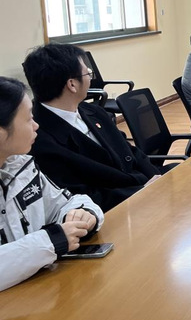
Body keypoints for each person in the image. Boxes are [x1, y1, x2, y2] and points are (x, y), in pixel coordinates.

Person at [22, 43, 160, 212]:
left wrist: (158, 179)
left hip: (146, 188)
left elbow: (131, 151)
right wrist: (142, 192)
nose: (90, 78)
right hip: (118, 208)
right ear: (72, 85)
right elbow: (81, 196)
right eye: (88, 73)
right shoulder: (39, 139)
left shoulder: (93, 111)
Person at [0, 76, 104, 291]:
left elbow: (65, 202)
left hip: (36, 291)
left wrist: (83, 213)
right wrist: (52, 241)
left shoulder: (21, 167)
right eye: (28, 119)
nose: (36, 125)